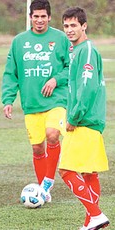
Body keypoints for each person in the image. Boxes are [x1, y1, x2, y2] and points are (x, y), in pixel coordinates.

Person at [1, 0, 70, 202]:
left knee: (53, 135)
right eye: (36, 16)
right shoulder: (19, 42)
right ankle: (43, 191)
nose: (39, 20)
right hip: (31, 103)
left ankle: (48, 181)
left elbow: (70, 67)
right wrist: (8, 99)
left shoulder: (60, 38)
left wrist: (56, 79)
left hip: (56, 100)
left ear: (49, 17)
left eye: (43, 16)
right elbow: (10, 73)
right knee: (38, 148)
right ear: (30, 17)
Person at [59, 7, 109, 230]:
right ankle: (91, 221)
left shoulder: (86, 50)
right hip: (91, 121)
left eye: (73, 25)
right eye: (66, 26)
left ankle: (96, 214)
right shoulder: (79, 50)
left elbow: (87, 88)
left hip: (84, 121)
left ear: (84, 26)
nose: (69, 30)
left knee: (66, 170)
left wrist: (74, 116)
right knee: (89, 172)